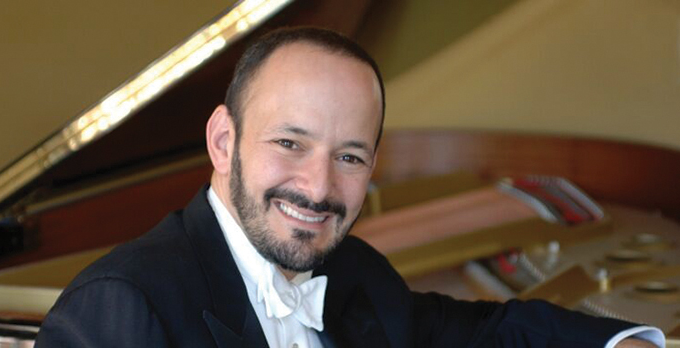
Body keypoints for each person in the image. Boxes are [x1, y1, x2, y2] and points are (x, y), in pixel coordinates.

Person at [35, 27, 664, 347]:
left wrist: (623, 342)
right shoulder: (122, 307)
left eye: (350, 156)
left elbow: (485, 334)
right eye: (290, 143)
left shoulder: (355, 275)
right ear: (223, 140)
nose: (318, 187)